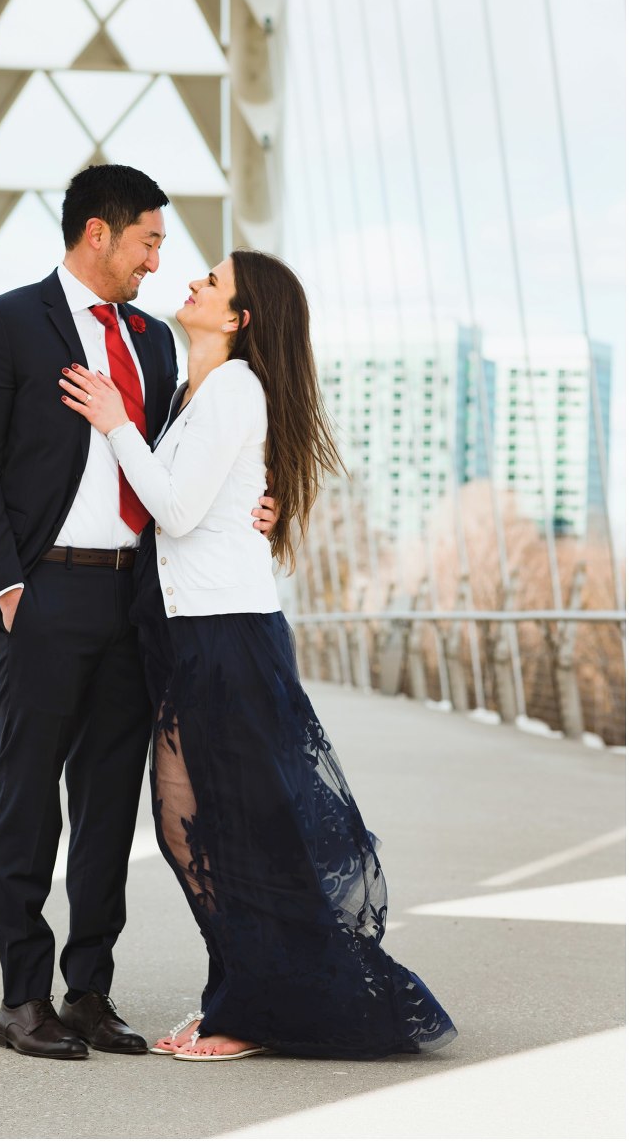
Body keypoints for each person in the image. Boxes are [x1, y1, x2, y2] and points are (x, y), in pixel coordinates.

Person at [59, 248, 458, 1062]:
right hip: (191, 628)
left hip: (226, 633)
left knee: (227, 827)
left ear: (239, 319)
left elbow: (172, 507)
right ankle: (236, 999)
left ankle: (245, 1013)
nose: (195, 281)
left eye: (213, 281)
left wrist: (114, 422)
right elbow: (208, 502)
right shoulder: (193, 390)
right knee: (190, 824)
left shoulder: (234, 389)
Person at [0, 165, 278, 1061]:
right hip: (42, 591)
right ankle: (22, 997)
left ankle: (88, 991)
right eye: (150, 241)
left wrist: (260, 499)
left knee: (106, 805)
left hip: (135, 598)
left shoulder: (155, 342)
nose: (160, 260)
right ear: (100, 232)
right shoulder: (4, 323)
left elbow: (177, 462)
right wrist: (8, 587)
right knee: (27, 797)